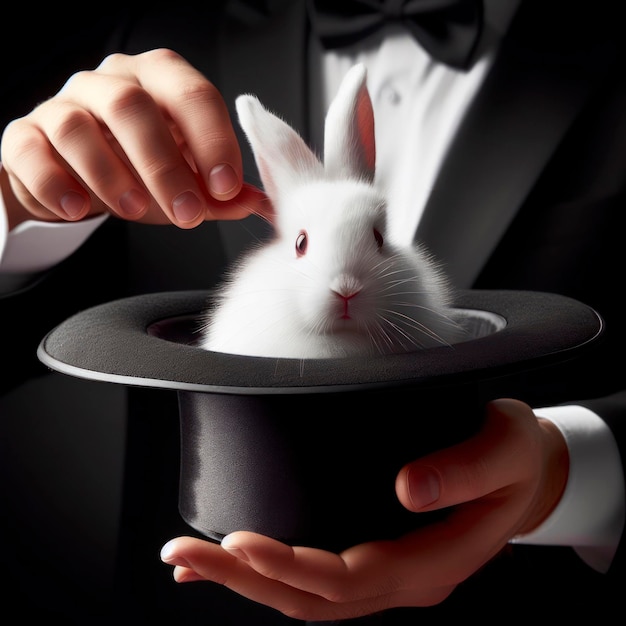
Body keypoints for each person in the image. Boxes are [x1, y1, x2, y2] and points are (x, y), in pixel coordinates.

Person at [1, 1, 624, 623]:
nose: (347, 285)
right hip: (196, 600)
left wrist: (563, 473)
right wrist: (20, 206)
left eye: (374, 242)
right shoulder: (167, 24)